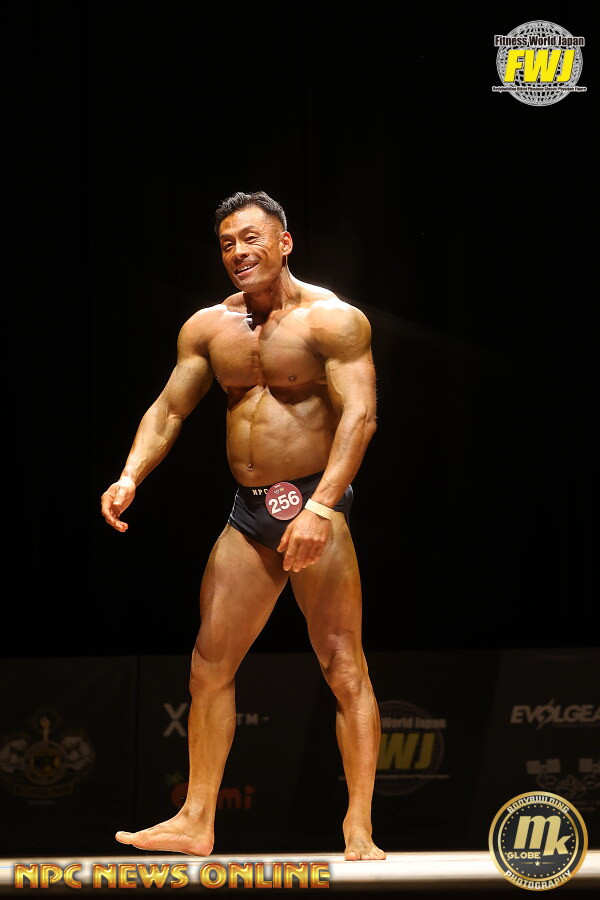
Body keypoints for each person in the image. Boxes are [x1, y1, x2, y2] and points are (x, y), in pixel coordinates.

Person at [101, 191, 384, 861]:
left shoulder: (333, 320)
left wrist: (322, 508)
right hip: (250, 510)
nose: (238, 252)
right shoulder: (208, 328)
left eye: (251, 238)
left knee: (342, 663)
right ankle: (196, 820)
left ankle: (359, 826)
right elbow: (169, 410)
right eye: (227, 242)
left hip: (315, 501)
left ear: (284, 242)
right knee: (209, 663)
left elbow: (361, 416)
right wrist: (130, 475)